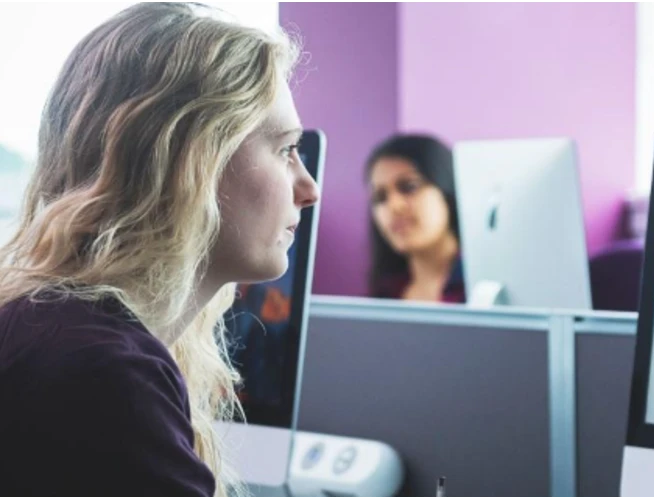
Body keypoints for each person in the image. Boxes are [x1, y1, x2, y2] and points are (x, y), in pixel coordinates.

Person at [0, 3, 318, 498]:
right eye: (285, 150)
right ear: (194, 161)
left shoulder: (43, 326)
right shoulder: (109, 378)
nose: (309, 187)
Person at [366, 134, 466, 303]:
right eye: (380, 197)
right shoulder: (385, 296)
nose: (394, 206)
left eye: (409, 187)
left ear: (447, 192)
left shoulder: (484, 289)